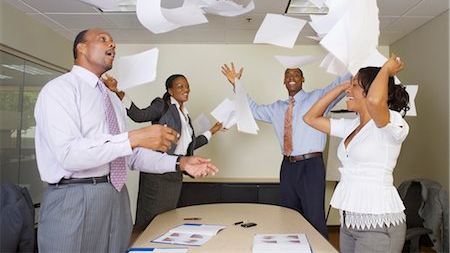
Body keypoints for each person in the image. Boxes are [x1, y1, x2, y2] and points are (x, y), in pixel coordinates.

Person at [34, 28, 218, 253]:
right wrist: (134, 138)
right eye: (103, 40)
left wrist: (180, 163)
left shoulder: (110, 98)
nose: (112, 45)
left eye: (113, 41)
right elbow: (69, 155)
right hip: (75, 195)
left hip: (116, 194)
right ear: (81, 48)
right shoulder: (60, 90)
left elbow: (130, 153)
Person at [221, 63, 350, 238]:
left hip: (311, 166)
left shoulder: (317, 98)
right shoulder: (277, 108)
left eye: (296, 75)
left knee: (314, 216)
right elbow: (252, 109)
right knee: (289, 216)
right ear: (284, 81)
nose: (291, 78)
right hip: (288, 166)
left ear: (303, 79)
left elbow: (339, 86)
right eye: (288, 75)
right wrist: (236, 84)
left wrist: (354, 59)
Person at [303, 54, 410, 253]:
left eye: (355, 86)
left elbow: (375, 101)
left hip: (378, 222)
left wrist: (385, 70)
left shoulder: (392, 122)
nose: (348, 91)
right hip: (350, 220)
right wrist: (342, 87)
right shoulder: (351, 126)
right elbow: (310, 118)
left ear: (370, 91)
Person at [103, 73, 224, 231]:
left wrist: (213, 130)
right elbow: (140, 115)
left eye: (187, 86)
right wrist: (118, 92)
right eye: (180, 86)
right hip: (157, 173)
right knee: (151, 219)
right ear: (170, 91)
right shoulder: (162, 105)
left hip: (175, 172)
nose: (185, 89)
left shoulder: (185, 117)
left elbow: (191, 145)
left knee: (167, 219)